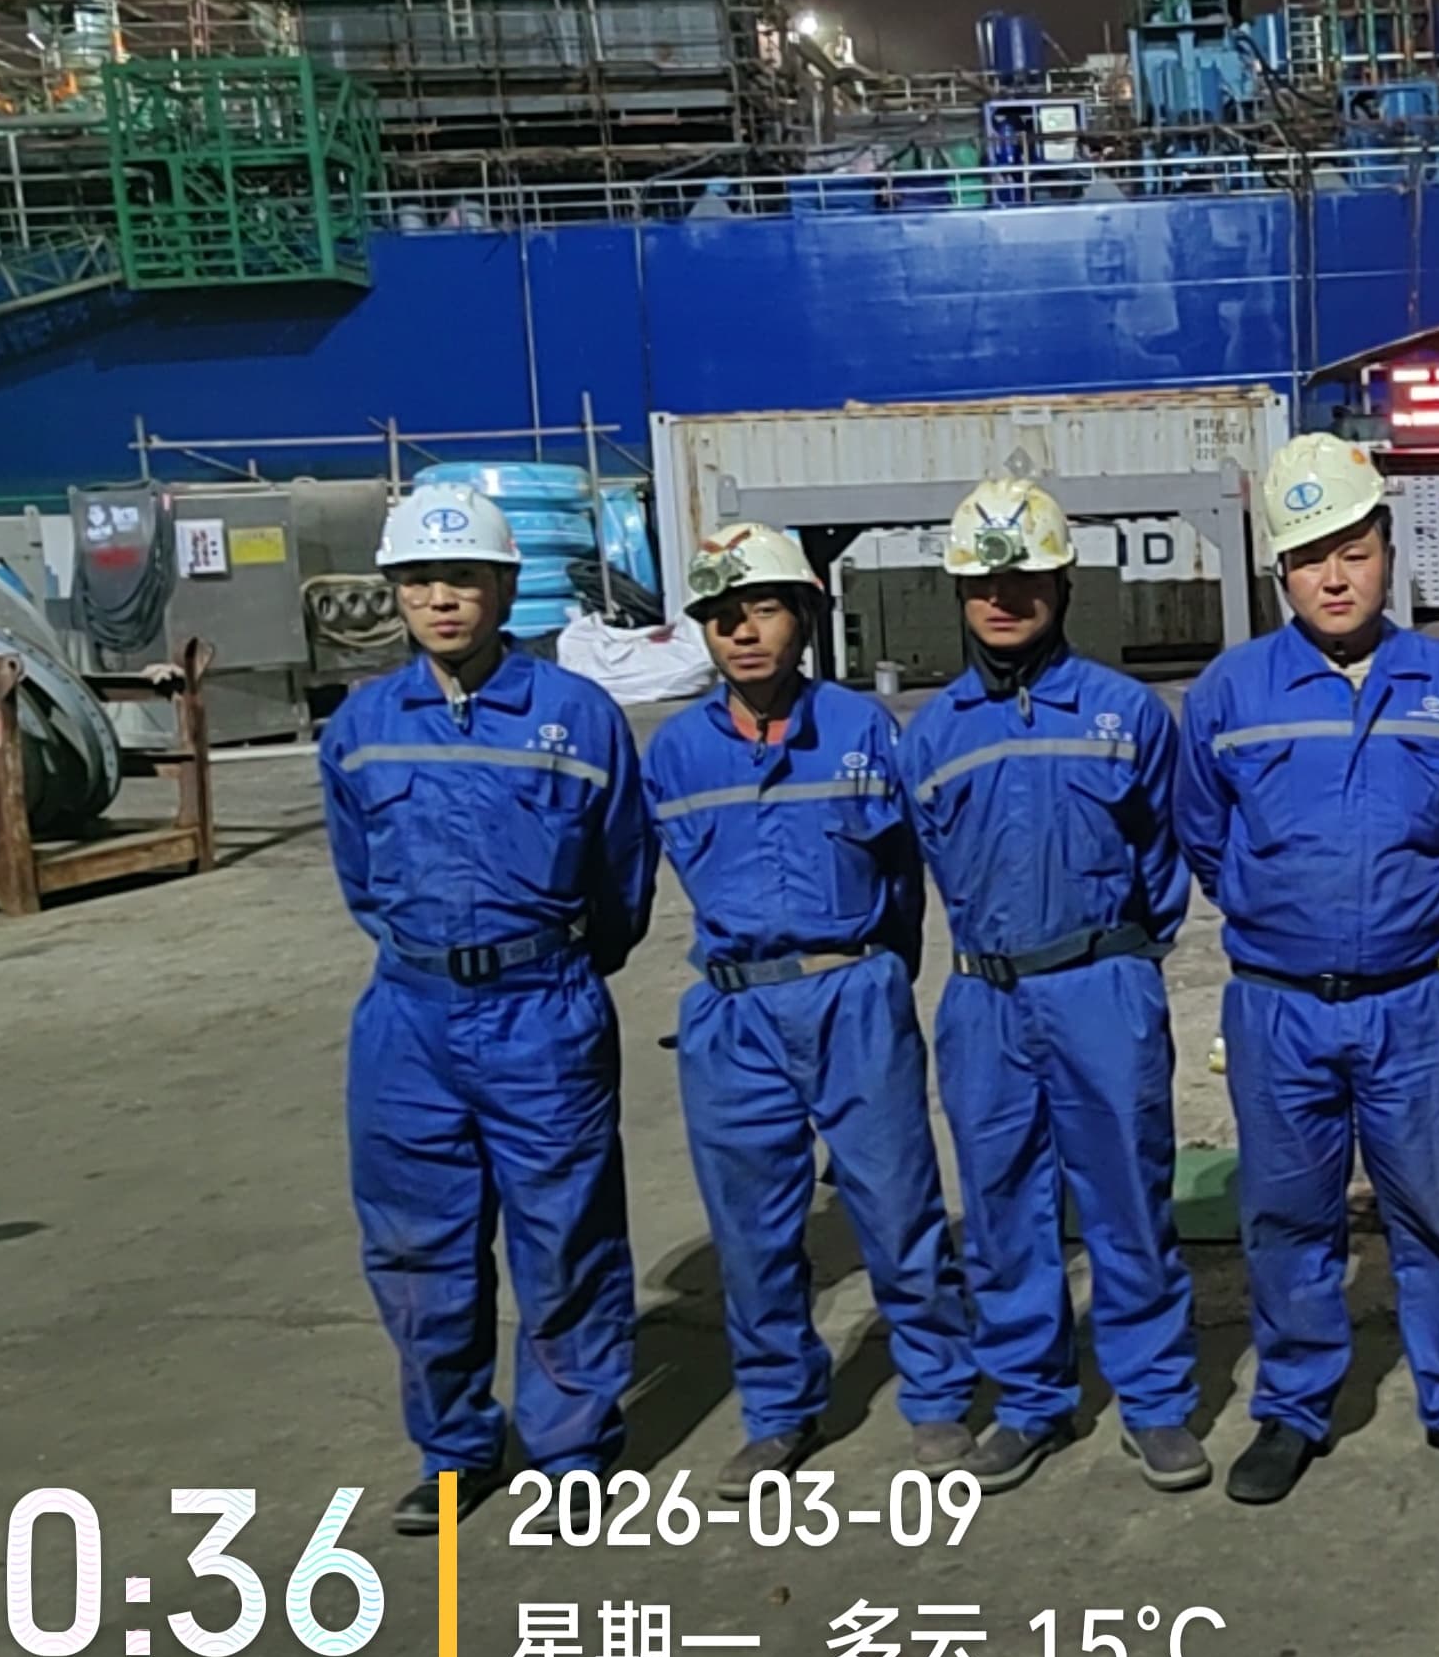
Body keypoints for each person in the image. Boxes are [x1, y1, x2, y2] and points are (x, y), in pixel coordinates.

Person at [1176, 433, 1439, 1504]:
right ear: (1280, 571)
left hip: (1415, 1000)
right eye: (1308, 557)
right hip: (1280, 1006)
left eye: (1353, 551)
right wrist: (1288, 917)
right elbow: (1203, 836)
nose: (1333, 577)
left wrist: (1406, 914)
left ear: (1387, 551)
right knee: (1289, 1216)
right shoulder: (1231, 692)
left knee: (1434, 1207)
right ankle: (1294, 1404)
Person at [320, 483, 658, 1538]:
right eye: (420, 580)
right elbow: (361, 877)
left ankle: (569, 1452)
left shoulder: (579, 717)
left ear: (507, 588)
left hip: (541, 1011)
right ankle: (455, 1450)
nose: (442, 600)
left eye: (463, 578)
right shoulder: (363, 726)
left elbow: (622, 879)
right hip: (409, 1017)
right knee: (418, 1247)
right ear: (395, 593)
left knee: (566, 1238)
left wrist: (550, 965)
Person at [642, 524, 975, 1500]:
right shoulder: (676, 754)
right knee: (752, 1231)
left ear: (806, 617)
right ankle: (779, 1411)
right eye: (721, 616)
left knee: (898, 1206)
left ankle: (937, 1392)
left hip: (854, 993)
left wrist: (880, 979)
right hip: (734, 1013)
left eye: (764, 609)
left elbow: (906, 881)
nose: (743, 632)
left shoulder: (866, 731)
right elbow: (634, 885)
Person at [897, 480, 1207, 1495]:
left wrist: (1119, 963)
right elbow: (923, 868)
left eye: (1025, 578)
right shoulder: (930, 735)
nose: (1003, 598)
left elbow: (1164, 860)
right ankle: (1030, 1400)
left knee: (1128, 1200)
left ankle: (1156, 1401)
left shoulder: (1128, 713)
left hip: (1100, 986)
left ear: (1064, 582)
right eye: (983, 582)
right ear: (958, 592)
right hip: (984, 1000)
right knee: (1001, 1209)